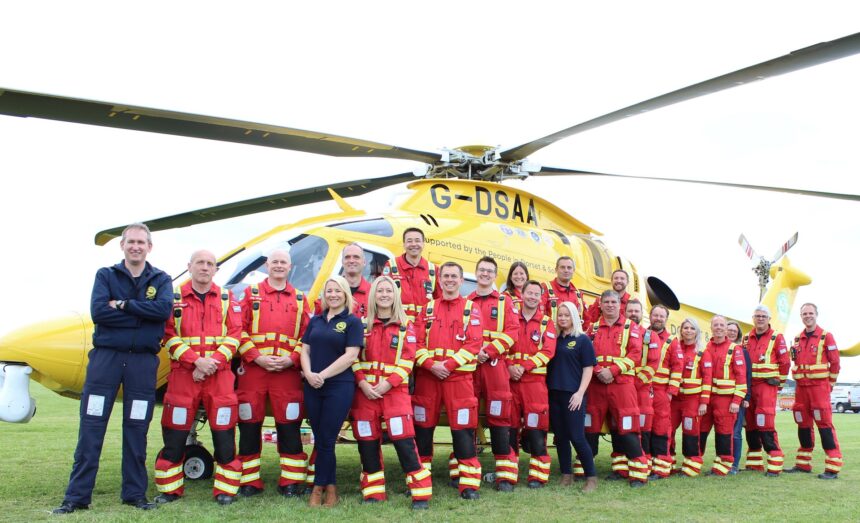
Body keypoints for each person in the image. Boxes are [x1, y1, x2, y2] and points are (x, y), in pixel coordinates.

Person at [53, 223, 172, 514]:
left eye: (141, 242)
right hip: (106, 360)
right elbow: (98, 312)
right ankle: (76, 498)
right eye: (130, 241)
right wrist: (140, 313)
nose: (135, 246)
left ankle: (134, 494)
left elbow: (162, 311)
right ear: (122, 245)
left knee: (137, 428)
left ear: (149, 247)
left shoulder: (161, 278)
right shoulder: (106, 275)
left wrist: (122, 305)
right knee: (91, 427)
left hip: (143, 363)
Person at [154, 250, 243, 505]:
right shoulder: (172, 298)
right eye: (200, 263)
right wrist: (196, 361)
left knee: (225, 435)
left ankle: (226, 490)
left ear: (215, 269)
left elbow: (235, 334)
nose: (205, 267)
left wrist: (211, 363)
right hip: (184, 376)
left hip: (220, 376)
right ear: (189, 267)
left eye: (210, 264)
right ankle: (170, 489)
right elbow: (168, 335)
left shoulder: (227, 298)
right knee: (174, 434)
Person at [350, 276, 432, 509]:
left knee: (404, 440)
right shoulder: (361, 324)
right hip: (365, 393)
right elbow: (352, 357)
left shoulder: (407, 326)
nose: (384, 294)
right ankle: (374, 492)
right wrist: (363, 383)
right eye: (380, 291)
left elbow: (408, 360)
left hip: (395, 392)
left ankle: (420, 494)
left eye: (388, 291)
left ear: (395, 295)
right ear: (373, 295)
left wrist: (388, 384)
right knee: (366, 441)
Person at [235, 250, 311, 497]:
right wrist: (256, 357)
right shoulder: (251, 294)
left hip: (286, 373)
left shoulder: (301, 299)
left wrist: (292, 359)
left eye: (283, 263)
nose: (279, 266)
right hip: (255, 371)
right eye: (275, 262)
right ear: (267, 266)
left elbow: (306, 337)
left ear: (290, 267)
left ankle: (290, 482)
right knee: (248, 424)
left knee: (289, 425)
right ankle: (249, 481)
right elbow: (239, 330)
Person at [412, 262, 484, 500]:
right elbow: (417, 343)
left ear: (462, 280)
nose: (449, 280)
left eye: (454, 276)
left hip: (458, 380)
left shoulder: (471, 308)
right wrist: (433, 366)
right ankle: (420, 480)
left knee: (463, 431)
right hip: (428, 379)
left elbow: (473, 343)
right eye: (446, 276)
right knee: (423, 430)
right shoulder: (428, 308)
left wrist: (448, 366)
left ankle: (469, 484)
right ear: (439, 280)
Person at [300, 275, 364, 507]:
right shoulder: (316, 320)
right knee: (322, 439)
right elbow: (304, 350)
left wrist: (322, 375)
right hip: (312, 385)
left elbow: (351, 356)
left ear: (345, 293)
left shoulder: (353, 322)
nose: (333, 294)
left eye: (337, 290)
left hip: (338, 386)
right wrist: (308, 374)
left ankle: (319, 489)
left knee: (327, 438)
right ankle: (331, 487)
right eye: (329, 291)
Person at [585, 290, 649, 487]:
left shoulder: (632, 327)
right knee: (589, 426)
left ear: (620, 305)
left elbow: (636, 354)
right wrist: (597, 370)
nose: (610, 305)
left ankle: (638, 474)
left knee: (628, 426)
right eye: (607, 302)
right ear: (601, 305)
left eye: (614, 302)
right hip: (596, 384)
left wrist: (612, 371)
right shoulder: (592, 328)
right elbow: (584, 352)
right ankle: (585, 470)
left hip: (621, 385)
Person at [467, 257, 519, 492]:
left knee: (500, 419)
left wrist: (487, 352)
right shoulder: (467, 301)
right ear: (476, 273)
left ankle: (504, 475)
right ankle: (465, 472)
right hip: (468, 366)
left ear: (495, 275)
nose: (485, 274)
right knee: (466, 417)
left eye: (489, 271)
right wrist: (472, 353)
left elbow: (512, 333)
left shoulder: (504, 301)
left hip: (494, 365)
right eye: (481, 270)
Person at [507, 280, 557, 489]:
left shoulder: (547, 323)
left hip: (535, 384)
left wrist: (523, 367)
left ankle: (537, 475)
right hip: (510, 381)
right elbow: (502, 344)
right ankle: (507, 476)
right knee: (509, 428)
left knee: (537, 428)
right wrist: (510, 366)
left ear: (541, 298)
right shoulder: (510, 318)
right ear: (522, 294)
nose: (532, 297)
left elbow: (548, 351)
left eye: (537, 294)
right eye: (529, 293)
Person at [785, 303, 843, 479]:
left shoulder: (827, 337)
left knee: (824, 424)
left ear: (816, 315)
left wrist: (829, 384)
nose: (807, 316)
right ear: (801, 316)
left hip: (819, 388)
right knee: (802, 423)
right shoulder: (797, 339)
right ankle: (803, 463)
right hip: (801, 388)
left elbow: (835, 364)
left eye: (810, 313)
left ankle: (833, 466)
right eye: (804, 313)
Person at [547, 301, 597, 492]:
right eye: (560, 315)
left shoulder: (583, 340)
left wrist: (580, 393)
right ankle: (566, 475)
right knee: (560, 438)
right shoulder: (554, 339)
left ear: (574, 317)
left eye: (567, 315)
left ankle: (591, 478)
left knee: (577, 437)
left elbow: (588, 368)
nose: (563, 318)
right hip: (555, 394)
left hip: (573, 395)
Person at [742, 305, 789, 476]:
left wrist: (779, 384)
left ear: (769, 319)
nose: (760, 319)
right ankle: (754, 462)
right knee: (750, 424)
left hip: (766, 386)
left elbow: (785, 363)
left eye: (763, 316)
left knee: (765, 423)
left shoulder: (777, 337)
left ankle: (775, 461)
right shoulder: (746, 338)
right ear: (753, 318)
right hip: (749, 387)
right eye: (757, 316)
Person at [699, 315, 747, 476]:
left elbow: (741, 377)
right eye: (716, 325)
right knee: (701, 430)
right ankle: (695, 461)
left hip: (726, 401)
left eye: (721, 325)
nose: (718, 327)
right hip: (708, 398)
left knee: (724, 433)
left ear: (726, 329)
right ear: (711, 327)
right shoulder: (706, 347)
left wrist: (737, 400)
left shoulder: (735, 349)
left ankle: (723, 465)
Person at [669, 318, 712, 477]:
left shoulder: (702, 352)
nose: (688, 331)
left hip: (692, 400)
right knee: (668, 430)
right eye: (685, 328)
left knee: (690, 431)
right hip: (674, 398)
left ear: (696, 332)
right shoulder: (674, 348)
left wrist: (703, 403)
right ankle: (668, 463)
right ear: (681, 330)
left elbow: (707, 379)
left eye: (691, 328)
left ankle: (691, 465)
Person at [645, 305, 683, 479]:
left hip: (661, 392)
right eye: (655, 315)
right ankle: (644, 465)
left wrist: (671, 392)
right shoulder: (641, 335)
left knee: (660, 428)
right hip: (642, 389)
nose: (658, 319)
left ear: (666, 319)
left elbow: (678, 367)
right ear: (650, 316)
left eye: (661, 316)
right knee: (644, 428)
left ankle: (660, 468)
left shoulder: (671, 341)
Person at [627, 299, 659, 480]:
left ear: (641, 314)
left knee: (644, 427)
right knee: (623, 427)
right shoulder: (620, 333)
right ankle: (622, 467)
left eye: (636, 311)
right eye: (630, 310)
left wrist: (635, 383)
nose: (633, 314)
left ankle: (643, 466)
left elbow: (653, 364)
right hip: (622, 387)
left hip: (641, 389)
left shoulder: (650, 336)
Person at [383, 227, 440, 321]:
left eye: (417, 241)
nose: (413, 244)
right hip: (397, 325)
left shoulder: (434, 270)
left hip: (424, 327)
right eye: (409, 241)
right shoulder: (391, 265)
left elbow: (440, 302)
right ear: (404, 245)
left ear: (423, 244)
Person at [313, 243, 371, 317]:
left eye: (356, 257)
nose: (351, 261)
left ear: (364, 262)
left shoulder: (372, 293)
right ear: (342, 262)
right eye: (347, 257)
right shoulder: (330, 291)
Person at [726, 320, 751, 474]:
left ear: (738, 335)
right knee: (723, 432)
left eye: (734, 331)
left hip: (738, 397)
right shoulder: (717, 350)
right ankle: (723, 461)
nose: (731, 333)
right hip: (721, 397)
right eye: (729, 330)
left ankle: (734, 464)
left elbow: (747, 376)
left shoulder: (743, 352)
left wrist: (745, 397)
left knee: (735, 432)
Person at [540, 256, 583, 323]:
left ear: (573, 271)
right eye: (562, 267)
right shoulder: (545, 288)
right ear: (556, 270)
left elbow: (586, 321)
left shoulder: (578, 294)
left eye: (569, 268)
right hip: (552, 332)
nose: (566, 270)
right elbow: (539, 314)